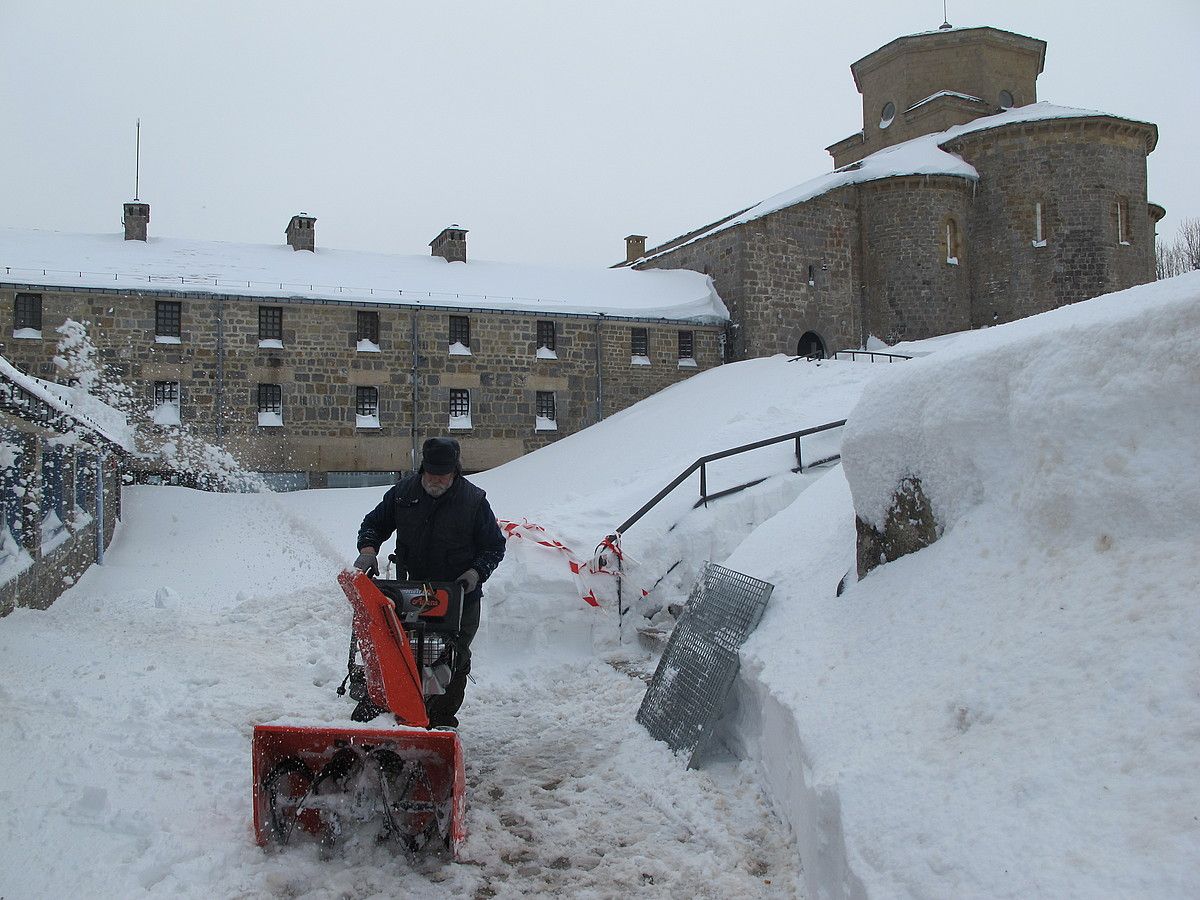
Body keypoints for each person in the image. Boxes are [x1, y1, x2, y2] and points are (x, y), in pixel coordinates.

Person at [353, 437, 506, 728]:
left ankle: (441, 717)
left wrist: (475, 573)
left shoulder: (473, 501)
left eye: (443, 476)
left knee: (453, 656)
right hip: (414, 589)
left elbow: (494, 547)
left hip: (460, 593)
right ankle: (399, 708)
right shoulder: (403, 493)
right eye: (431, 474)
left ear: (455, 472)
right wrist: (368, 550)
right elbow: (374, 524)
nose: (436, 481)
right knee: (404, 648)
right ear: (423, 469)